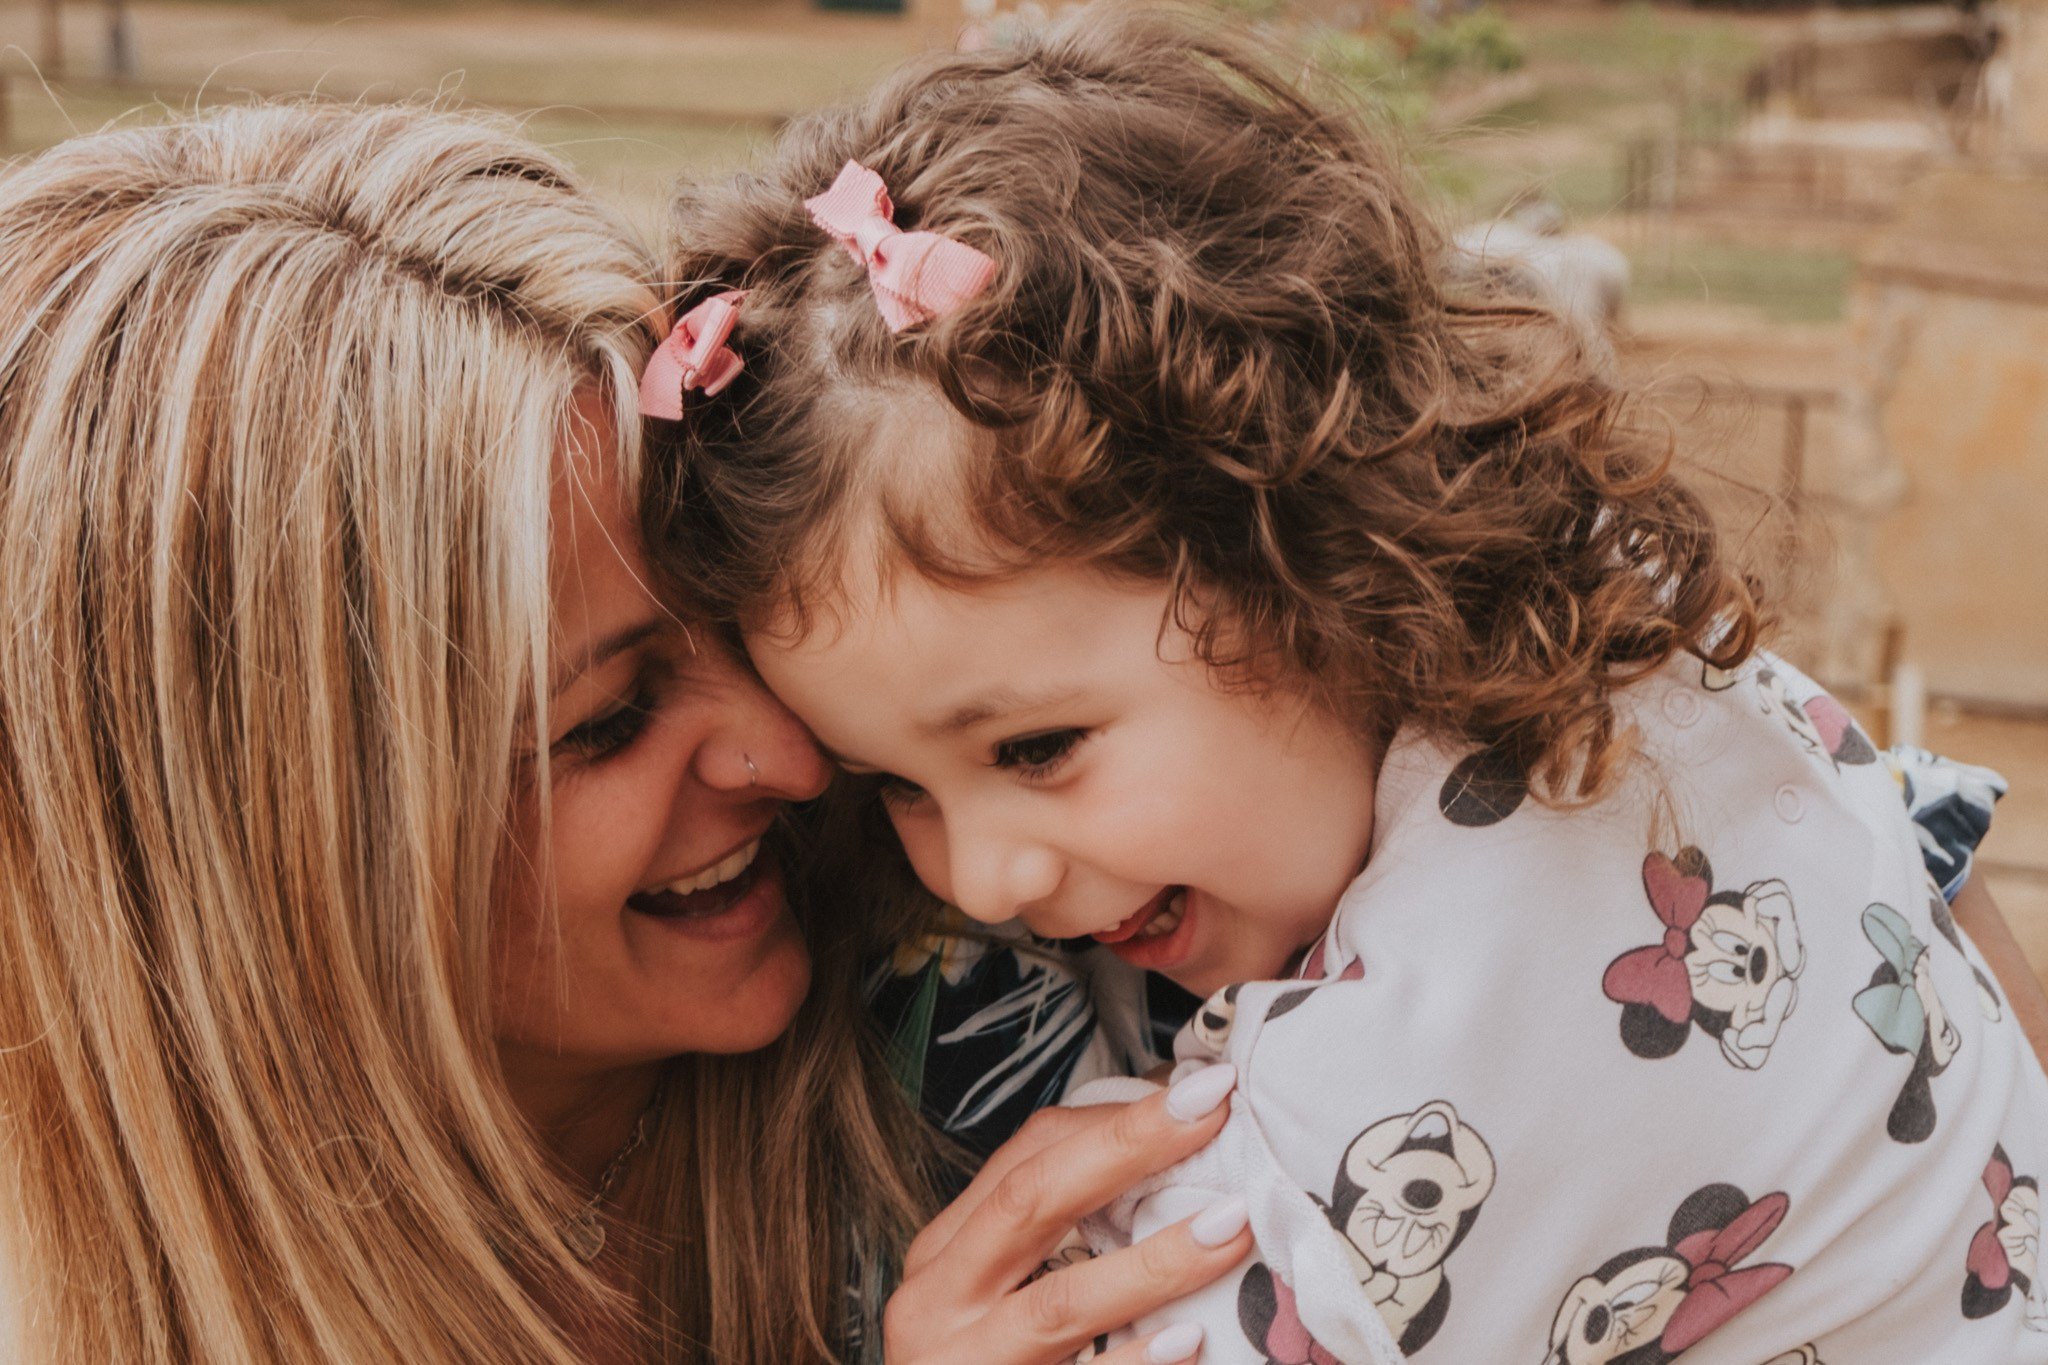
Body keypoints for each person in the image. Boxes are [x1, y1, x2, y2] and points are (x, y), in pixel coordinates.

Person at [647, 9, 2048, 1362]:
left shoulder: (1449, 1024)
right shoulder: (1609, 633)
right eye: (899, 783)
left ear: (1301, 545)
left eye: (1036, 749)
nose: (990, 881)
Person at [0, 101, 1253, 1365]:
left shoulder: (1026, 981)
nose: (798, 762)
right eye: (607, 723)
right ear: (263, 858)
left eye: (741, 621)